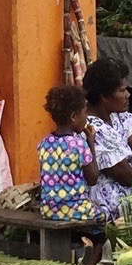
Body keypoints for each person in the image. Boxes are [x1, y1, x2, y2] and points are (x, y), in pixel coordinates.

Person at [84, 57, 132, 219]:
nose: (128, 95)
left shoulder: (117, 116)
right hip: (109, 193)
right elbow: (125, 175)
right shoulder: (91, 128)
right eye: (122, 90)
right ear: (104, 96)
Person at [37, 84, 101, 223]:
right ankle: (95, 244)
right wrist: (91, 142)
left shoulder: (44, 144)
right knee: (107, 213)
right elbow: (93, 178)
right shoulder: (78, 144)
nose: (87, 117)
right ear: (73, 116)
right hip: (77, 210)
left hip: (49, 211)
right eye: (84, 112)